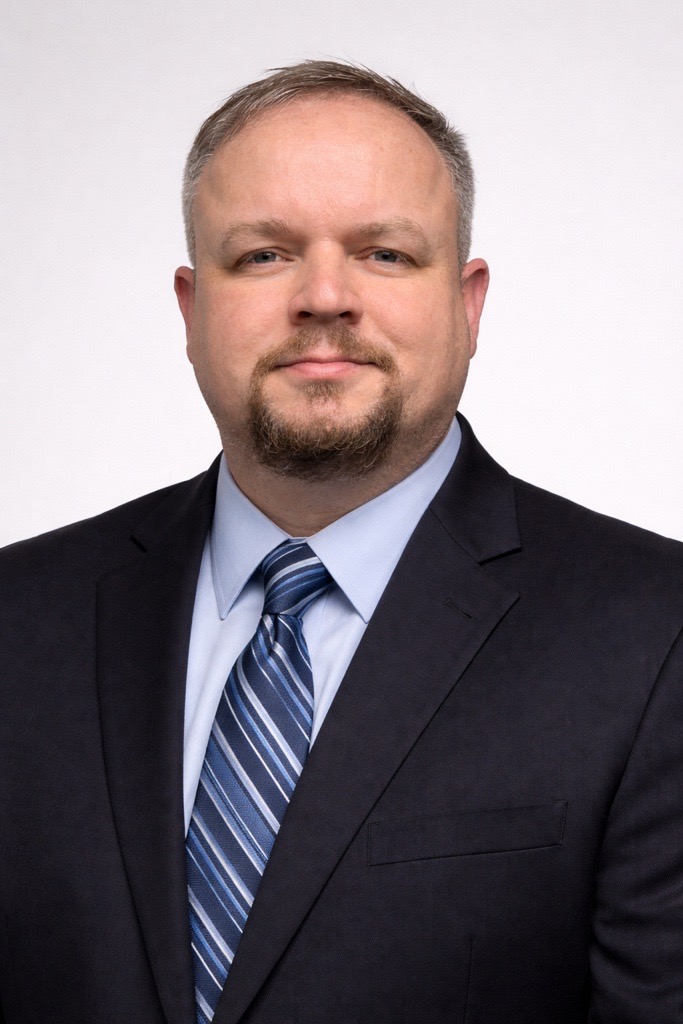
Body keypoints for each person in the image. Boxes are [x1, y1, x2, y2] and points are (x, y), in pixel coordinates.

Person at [0, 60, 681, 1024]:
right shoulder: (19, 619)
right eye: (263, 255)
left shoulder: (653, 635)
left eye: (384, 254)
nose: (324, 296)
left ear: (468, 305)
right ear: (191, 311)